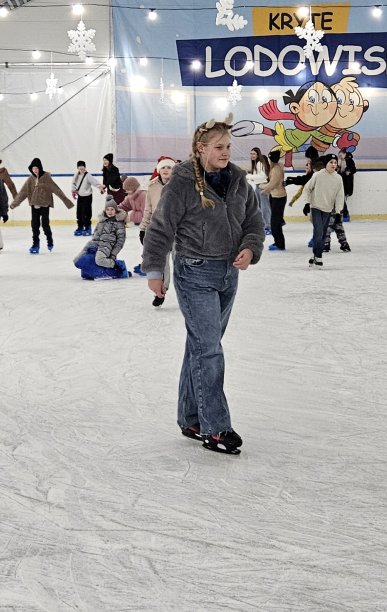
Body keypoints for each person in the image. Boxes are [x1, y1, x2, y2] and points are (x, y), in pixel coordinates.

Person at [139, 115, 265, 453]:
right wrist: (154, 271)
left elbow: (254, 220)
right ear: (201, 148)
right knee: (209, 349)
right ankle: (215, 427)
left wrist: (251, 248)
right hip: (194, 272)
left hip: (228, 274)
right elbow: (161, 228)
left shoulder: (238, 180)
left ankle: (190, 417)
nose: (226, 153)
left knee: (201, 345)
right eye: (219, 147)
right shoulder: (181, 182)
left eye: (228, 147)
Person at [10, 158, 75, 254]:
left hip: (45, 204)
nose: (35, 170)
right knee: (34, 225)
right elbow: (23, 193)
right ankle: (35, 244)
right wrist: (14, 204)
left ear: (40, 168)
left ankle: (50, 240)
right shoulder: (30, 179)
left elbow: (57, 190)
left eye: (36, 168)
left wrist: (67, 202)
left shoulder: (46, 177)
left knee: (45, 224)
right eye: (33, 168)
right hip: (34, 205)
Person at [303, 154, 345, 268]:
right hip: (316, 207)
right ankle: (318, 256)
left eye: (335, 162)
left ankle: (314, 255)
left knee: (321, 234)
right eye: (331, 162)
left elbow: (340, 196)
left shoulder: (338, 178)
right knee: (319, 231)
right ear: (326, 164)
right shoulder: (318, 175)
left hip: (328, 209)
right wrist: (307, 203)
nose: (333, 164)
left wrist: (338, 212)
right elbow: (307, 188)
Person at [75, 198, 132, 280]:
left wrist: (113, 254)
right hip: (95, 244)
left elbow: (120, 242)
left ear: (116, 211)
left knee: (99, 260)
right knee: (78, 260)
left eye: (112, 209)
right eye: (107, 209)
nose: (110, 211)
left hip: (107, 246)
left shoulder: (119, 224)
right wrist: (91, 245)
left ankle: (117, 265)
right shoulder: (101, 222)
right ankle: (91, 272)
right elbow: (95, 234)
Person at [265, 151, 288, 250]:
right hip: (276, 195)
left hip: (278, 197)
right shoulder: (276, 167)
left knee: (275, 223)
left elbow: (272, 184)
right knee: (275, 221)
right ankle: (278, 242)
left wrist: (262, 187)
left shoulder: (276, 170)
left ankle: (280, 244)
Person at [71, 160, 100, 236]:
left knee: (86, 212)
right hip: (80, 196)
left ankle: (88, 228)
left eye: (82, 166)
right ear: (77, 167)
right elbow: (73, 183)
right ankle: (80, 227)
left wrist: (100, 187)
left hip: (87, 197)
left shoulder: (88, 175)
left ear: (85, 167)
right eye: (79, 166)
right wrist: (73, 191)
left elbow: (94, 182)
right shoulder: (76, 175)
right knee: (79, 213)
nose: (81, 167)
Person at [246, 147, 270, 233]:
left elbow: (263, 176)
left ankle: (268, 226)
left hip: (262, 186)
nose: (252, 155)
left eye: (254, 154)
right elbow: (258, 176)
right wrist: (252, 178)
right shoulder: (256, 163)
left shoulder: (260, 163)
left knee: (264, 207)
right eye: (251, 153)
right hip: (258, 186)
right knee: (259, 207)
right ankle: (263, 225)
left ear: (258, 154)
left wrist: (249, 176)